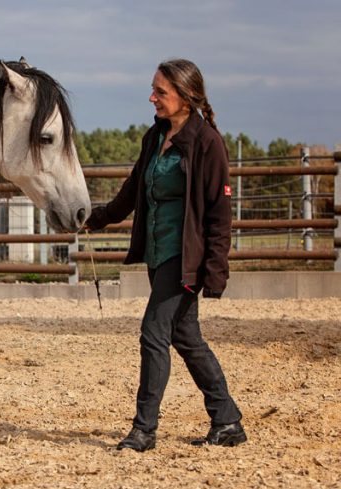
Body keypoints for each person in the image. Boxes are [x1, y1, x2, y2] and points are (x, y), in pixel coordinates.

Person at [85, 59, 246, 452]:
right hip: (158, 254)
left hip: (185, 256)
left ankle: (144, 430)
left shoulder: (208, 143)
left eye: (161, 91)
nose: (152, 97)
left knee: (153, 333)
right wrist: (98, 218)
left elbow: (219, 215)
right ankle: (226, 420)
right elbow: (132, 189)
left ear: (186, 97)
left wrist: (215, 271)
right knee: (186, 337)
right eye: (153, 89)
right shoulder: (155, 137)